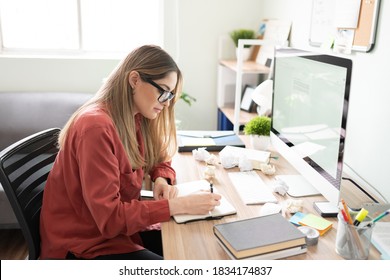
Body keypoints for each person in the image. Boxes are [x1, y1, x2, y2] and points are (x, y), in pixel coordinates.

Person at [39, 45, 221, 260]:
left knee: (198, 247)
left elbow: (159, 154)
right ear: (134, 80)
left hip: (117, 233)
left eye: (170, 95)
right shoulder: (96, 128)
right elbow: (109, 219)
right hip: (85, 244)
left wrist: (162, 179)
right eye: (163, 91)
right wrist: (175, 205)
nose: (166, 102)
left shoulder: (135, 115)